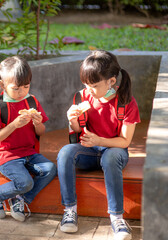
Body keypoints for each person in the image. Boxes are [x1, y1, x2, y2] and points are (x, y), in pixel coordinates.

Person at [57, 50, 140, 240]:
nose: (89, 89)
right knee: (65, 153)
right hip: (89, 150)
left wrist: (99, 141)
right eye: (86, 84)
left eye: (94, 85)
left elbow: (125, 141)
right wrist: (72, 120)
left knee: (111, 157)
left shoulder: (126, 102)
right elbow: (78, 130)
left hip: (114, 151)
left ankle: (117, 218)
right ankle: (70, 211)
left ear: (111, 81)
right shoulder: (82, 97)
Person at [0, 56, 57, 222]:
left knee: (50, 169)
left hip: (29, 152)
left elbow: (42, 131)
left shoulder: (31, 101)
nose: (22, 92)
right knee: (26, 182)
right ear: (3, 85)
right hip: (7, 155)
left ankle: (20, 199)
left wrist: (38, 123)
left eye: (26, 86)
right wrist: (14, 124)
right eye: (16, 88)